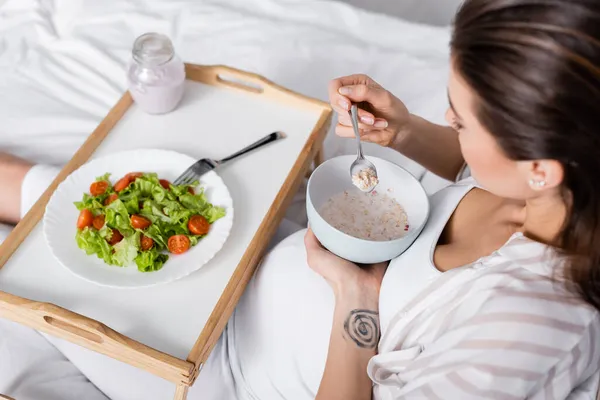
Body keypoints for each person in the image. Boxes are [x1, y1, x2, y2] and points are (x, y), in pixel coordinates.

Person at [1, 0, 600, 398]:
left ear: (543, 167)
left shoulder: (528, 326)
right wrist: (407, 131)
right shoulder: (558, 187)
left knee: (21, 267)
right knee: (67, 196)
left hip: (219, 369)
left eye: (463, 118)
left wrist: (354, 296)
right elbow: (478, 167)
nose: (449, 118)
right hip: (244, 267)